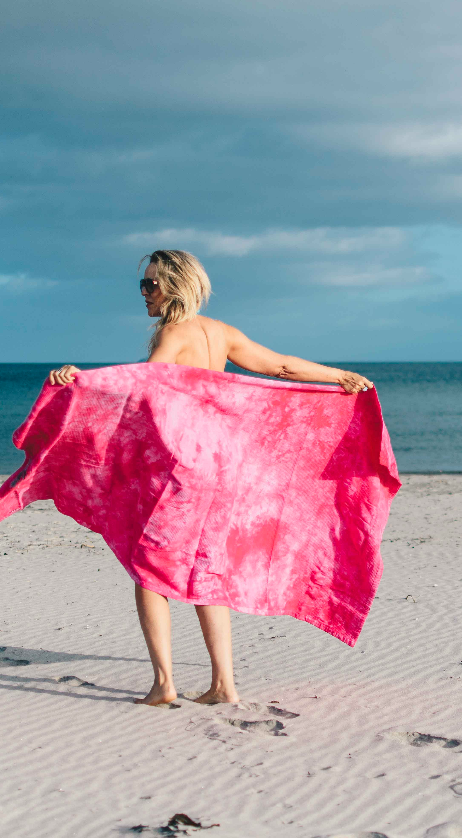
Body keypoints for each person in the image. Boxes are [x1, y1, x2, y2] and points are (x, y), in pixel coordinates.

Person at [46, 249, 374, 706]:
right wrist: (340, 376)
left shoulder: (172, 333)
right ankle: (223, 685)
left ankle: (164, 684)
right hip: (220, 470)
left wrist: (78, 381)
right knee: (207, 571)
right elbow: (280, 366)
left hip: (178, 469)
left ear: (175, 286)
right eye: (142, 284)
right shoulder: (221, 333)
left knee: (147, 568)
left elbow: (141, 385)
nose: (144, 293)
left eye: (151, 284)